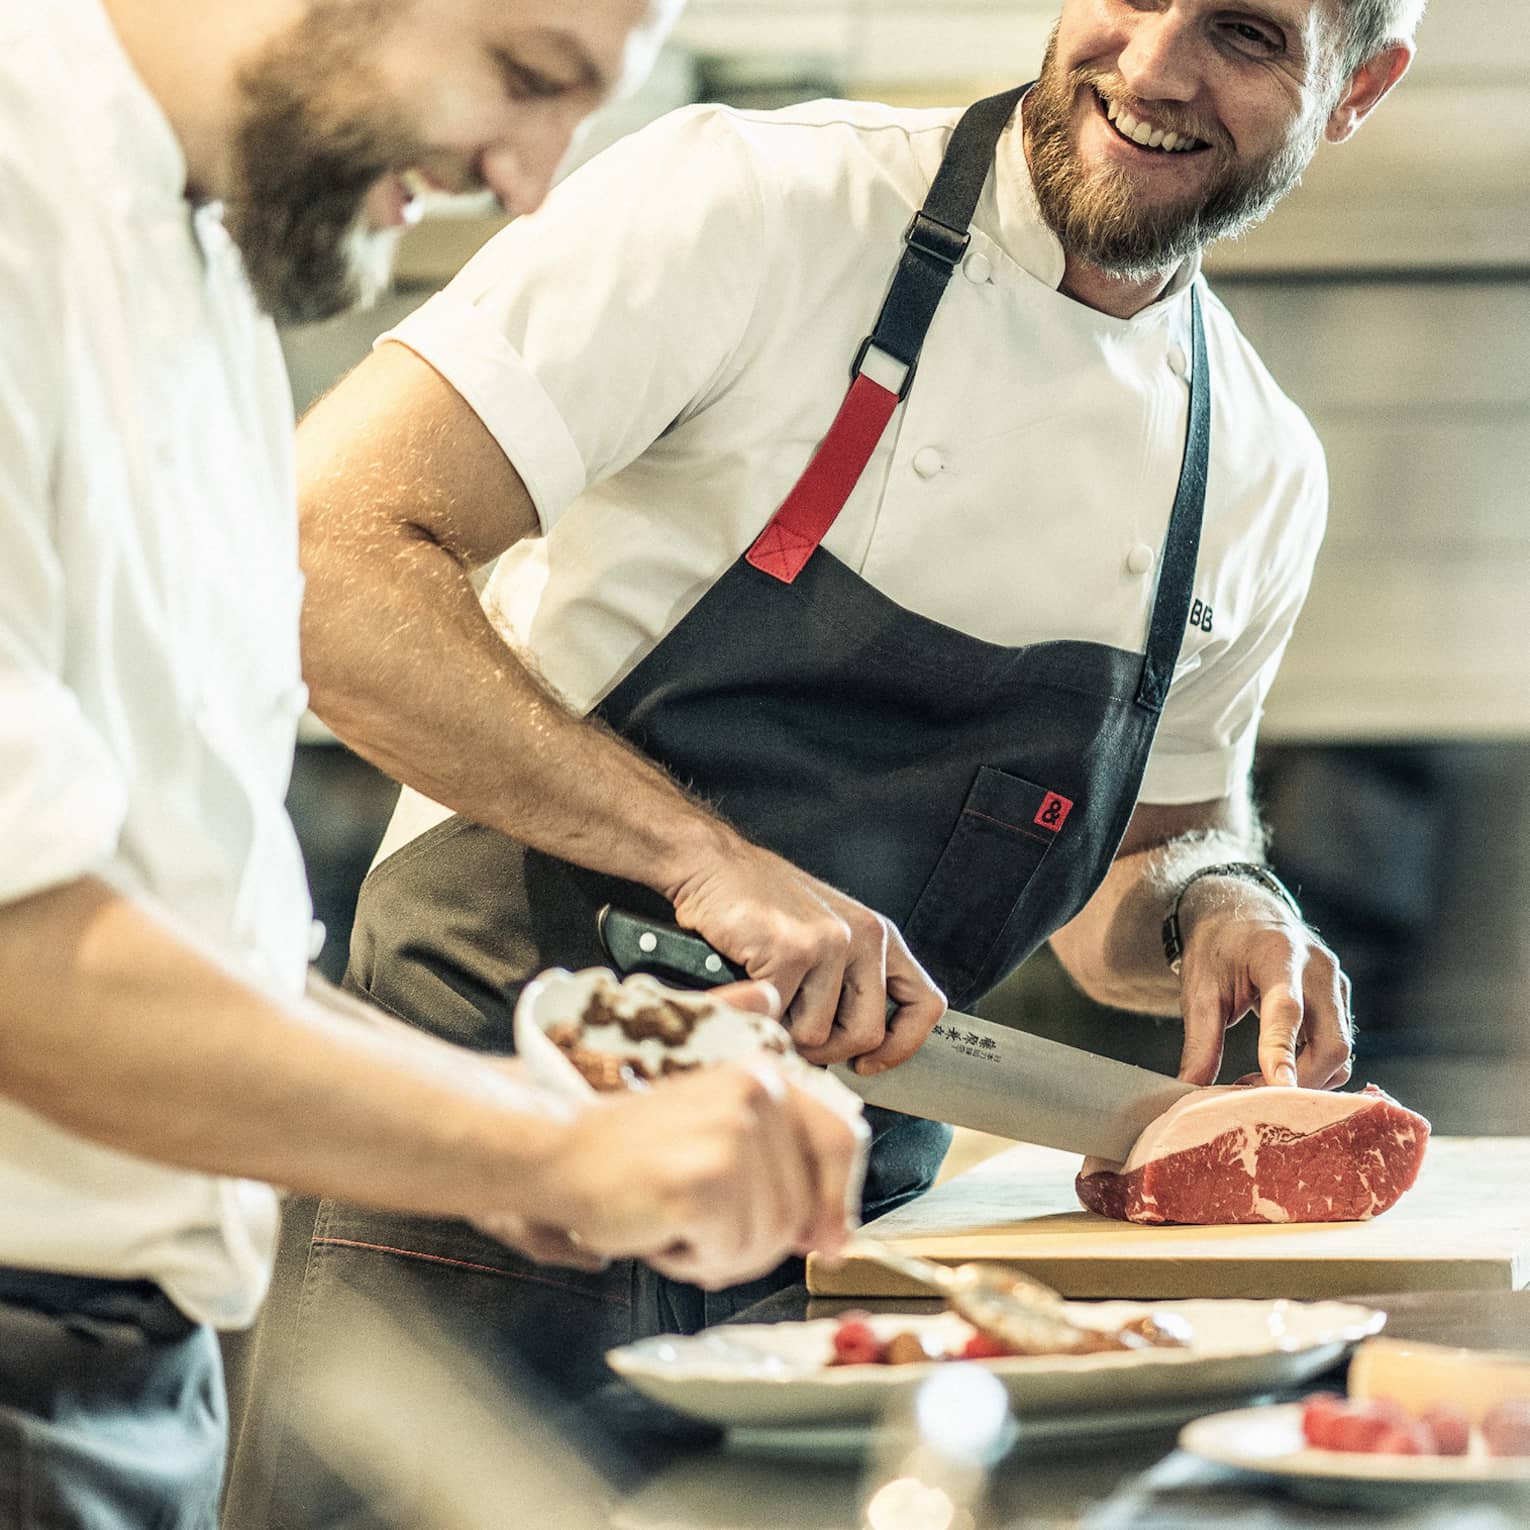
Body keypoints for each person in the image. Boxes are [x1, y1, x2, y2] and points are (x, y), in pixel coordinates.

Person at [228, 0, 1422, 1517]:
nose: (1152, 63)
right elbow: (324, 556)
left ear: (1355, 91)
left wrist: (1217, 904)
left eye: (1244, 35)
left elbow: (1140, 867)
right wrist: (702, 858)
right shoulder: (755, 205)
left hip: (842, 1274)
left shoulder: (1251, 466)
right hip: (480, 1205)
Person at [0, 1, 868, 1525]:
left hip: (125, 1365)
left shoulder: (196, 257)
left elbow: (187, 938)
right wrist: (554, 1145)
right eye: (527, 77)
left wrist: (540, 1140)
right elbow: (24, 958)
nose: (530, 178)